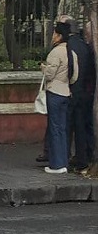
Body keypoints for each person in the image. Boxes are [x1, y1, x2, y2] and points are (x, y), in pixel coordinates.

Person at [42, 22, 76, 174]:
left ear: (59, 36)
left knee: (54, 129)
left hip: (55, 92)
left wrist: (43, 68)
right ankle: (63, 161)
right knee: (62, 129)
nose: (52, 37)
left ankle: (56, 164)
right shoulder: (71, 53)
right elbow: (75, 76)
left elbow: (49, 74)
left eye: (54, 34)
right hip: (66, 91)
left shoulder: (55, 53)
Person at [65, 20, 96, 170]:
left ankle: (66, 158)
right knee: (82, 126)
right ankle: (83, 157)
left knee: (67, 126)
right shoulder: (85, 46)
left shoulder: (67, 46)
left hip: (73, 91)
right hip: (86, 92)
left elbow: (70, 69)